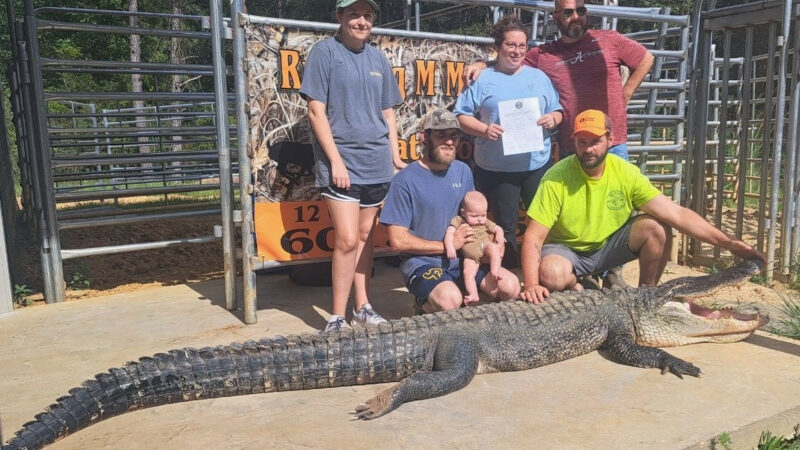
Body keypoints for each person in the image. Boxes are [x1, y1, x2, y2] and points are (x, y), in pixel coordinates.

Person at [519, 110, 767, 303]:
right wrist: (531, 285)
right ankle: (578, 282)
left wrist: (728, 243)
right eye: (582, 142)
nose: (588, 149)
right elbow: (533, 237)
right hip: (567, 249)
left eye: (595, 141)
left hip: (607, 247)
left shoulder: (625, 172)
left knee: (657, 226)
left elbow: (677, 214)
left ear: (610, 139)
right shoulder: (556, 176)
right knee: (551, 274)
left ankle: (647, 296)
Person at [299, 0, 406, 331]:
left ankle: (363, 307)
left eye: (368, 15)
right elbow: (316, 110)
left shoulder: (378, 58)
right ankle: (335, 316)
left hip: (376, 163)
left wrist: (395, 155)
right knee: (346, 239)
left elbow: (388, 112)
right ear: (340, 17)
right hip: (341, 165)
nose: (362, 21)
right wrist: (335, 161)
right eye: (354, 14)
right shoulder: (324, 53)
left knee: (365, 237)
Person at [463, 0, 654, 161]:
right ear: (555, 17)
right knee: (575, 204)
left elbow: (646, 58)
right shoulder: (544, 54)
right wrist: (481, 64)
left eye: (581, 10)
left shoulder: (609, 39)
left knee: (616, 201)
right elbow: (508, 60)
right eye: (568, 13)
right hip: (573, 144)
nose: (576, 17)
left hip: (611, 141)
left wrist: (625, 94)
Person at [380, 108, 521, 314]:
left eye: (453, 136)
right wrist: (448, 246)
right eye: (441, 134)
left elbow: (475, 219)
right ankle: (423, 303)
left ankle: (463, 290)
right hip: (424, 263)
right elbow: (398, 241)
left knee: (511, 287)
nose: (449, 141)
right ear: (424, 137)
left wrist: (492, 243)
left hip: (466, 258)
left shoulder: (463, 171)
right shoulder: (405, 180)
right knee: (449, 300)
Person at [454, 16, 563, 269]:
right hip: (498, 167)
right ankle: (508, 276)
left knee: (542, 220)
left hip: (536, 163)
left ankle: (542, 271)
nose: (516, 51)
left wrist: (552, 119)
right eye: (510, 45)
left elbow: (558, 110)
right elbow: (461, 116)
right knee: (506, 225)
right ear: (498, 46)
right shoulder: (481, 78)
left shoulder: (539, 78)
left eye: (522, 45)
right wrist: (484, 129)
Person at [444, 191, 506, 305]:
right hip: (470, 257)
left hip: (483, 245)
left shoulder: (485, 223)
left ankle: (495, 270)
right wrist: (450, 247)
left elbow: (498, 229)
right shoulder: (458, 220)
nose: (479, 219)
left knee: (493, 248)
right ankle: (473, 294)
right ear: (463, 212)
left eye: (483, 215)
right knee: (467, 273)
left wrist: (500, 237)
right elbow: (449, 233)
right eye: (474, 216)